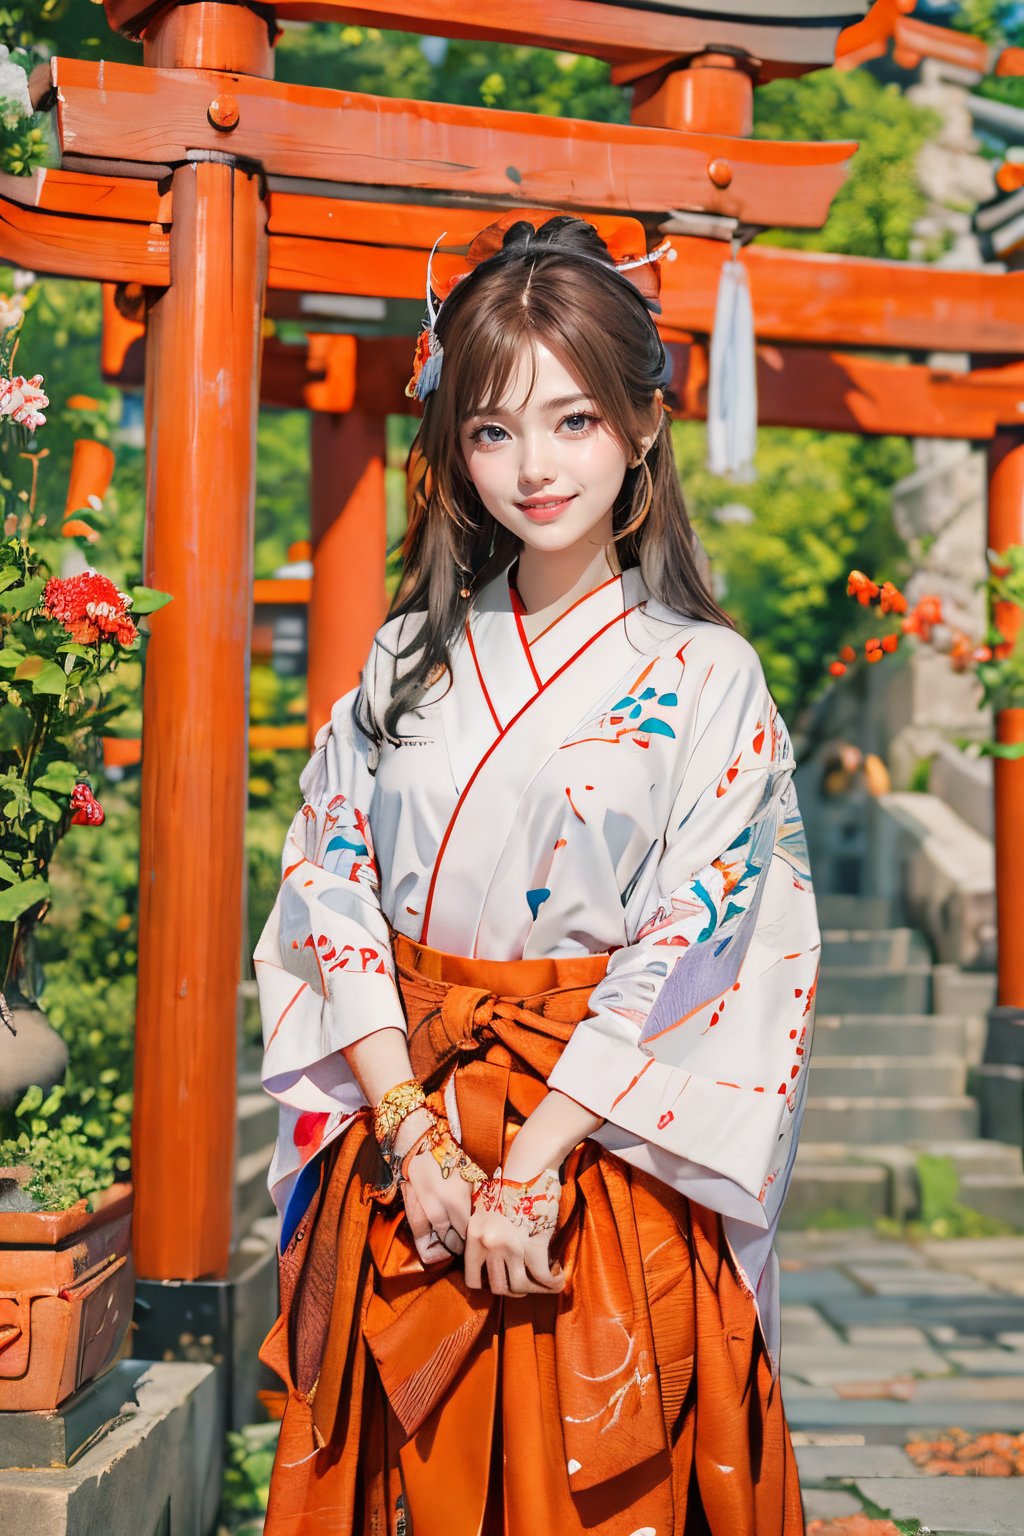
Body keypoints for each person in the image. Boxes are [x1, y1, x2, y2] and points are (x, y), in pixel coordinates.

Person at [255, 213, 819, 1535]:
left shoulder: (704, 672)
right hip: (419, 1145)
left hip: (604, 1154)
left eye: (572, 422)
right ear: (458, 445)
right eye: (495, 430)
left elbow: (705, 931)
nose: (534, 467)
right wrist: (415, 1136)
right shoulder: (401, 662)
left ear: (641, 429)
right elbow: (330, 887)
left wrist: (537, 1163)